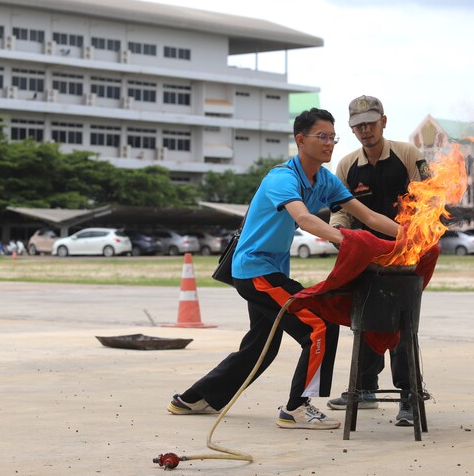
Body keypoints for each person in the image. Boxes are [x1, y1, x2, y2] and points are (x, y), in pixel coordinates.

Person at [167, 107, 400, 430]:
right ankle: (296, 408)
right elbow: (303, 219)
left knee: (261, 346)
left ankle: (192, 399)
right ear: (300, 140)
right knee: (319, 326)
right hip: (254, 270)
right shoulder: (282, 177)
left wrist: (412, 238)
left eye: (333, 137)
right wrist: (350, 240)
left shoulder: (324, 180)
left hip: (270, 271)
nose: (329, 143)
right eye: (322, 137)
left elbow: (371, 217)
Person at [327, 95, 430, 426]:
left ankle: (409, 398)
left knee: (403, 326)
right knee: (364, 321)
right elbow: (340, 211)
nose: (365, 130)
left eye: (371, 123)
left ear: (383, 121)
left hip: (406, 259)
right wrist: (339, 238)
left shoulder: (408, 155)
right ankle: (365, 389)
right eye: (358, 125)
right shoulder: (346, 166)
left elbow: (430, 201)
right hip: (367, 258)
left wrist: (417, 241)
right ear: (352, 129)